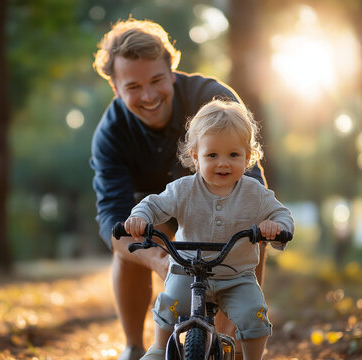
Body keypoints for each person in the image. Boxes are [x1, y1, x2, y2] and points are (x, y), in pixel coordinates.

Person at [90, 18, 268, 360]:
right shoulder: (109, 135)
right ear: (116, 88)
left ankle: (232, 340)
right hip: (154, 215)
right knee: (127, 242)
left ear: (171, 70)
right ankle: (134, 346)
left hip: (216, 206)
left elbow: (252, 186)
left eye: (157, 80)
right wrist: (159, 260)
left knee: (251, 232)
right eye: (133, 87)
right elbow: (110, 217)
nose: (149, 96)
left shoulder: (216, 102)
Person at [123, 99, 294, 360]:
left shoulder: (255, 194)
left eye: (233, 155)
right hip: (187, 269)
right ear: (195, 156)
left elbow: (281, 214)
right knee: (171, 301)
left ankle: (251, 357)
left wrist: (277, 227)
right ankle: (159, 347)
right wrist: (141, 218)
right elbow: (154, 204)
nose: (222, 163)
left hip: (236, 276)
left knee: (254, 313)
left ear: (247, 157)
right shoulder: (183, 189)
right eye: (212, 155)